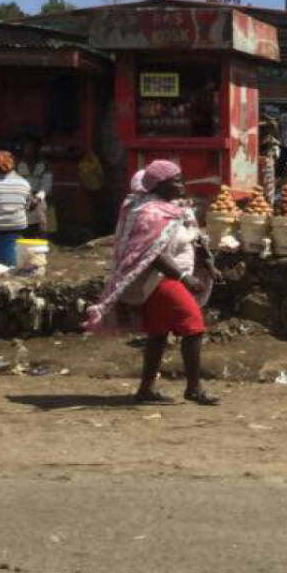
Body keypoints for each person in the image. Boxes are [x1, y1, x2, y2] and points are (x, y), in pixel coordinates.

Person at [84, 161, 219, 406]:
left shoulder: (173, 209)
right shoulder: (148, 213)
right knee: (194, 327)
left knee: (158, 334)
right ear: (160, 184)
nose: (182, 184)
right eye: (176, 181)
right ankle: (194, 388)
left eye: (181, 178)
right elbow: (151, 252)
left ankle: (145, 389)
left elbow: (193, 240)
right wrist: (184, 277)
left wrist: (207, 266)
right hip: (158, 280)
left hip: (168, 279)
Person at [15, 137, 55, 237]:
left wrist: (37, 198)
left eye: (32, 149)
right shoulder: (17, 164)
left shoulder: (45, 164)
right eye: (27, 148)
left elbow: (46, 184)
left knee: (40, 212)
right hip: (22, 194)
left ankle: (42, 238)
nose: (29, 151)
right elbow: (15, 183)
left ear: (37, 150)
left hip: (39, 196)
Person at [258, 118, 280, 205]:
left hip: (264, 163)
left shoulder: (270, 140)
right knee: (267, 188)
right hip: (266, 164)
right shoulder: (270, 141)